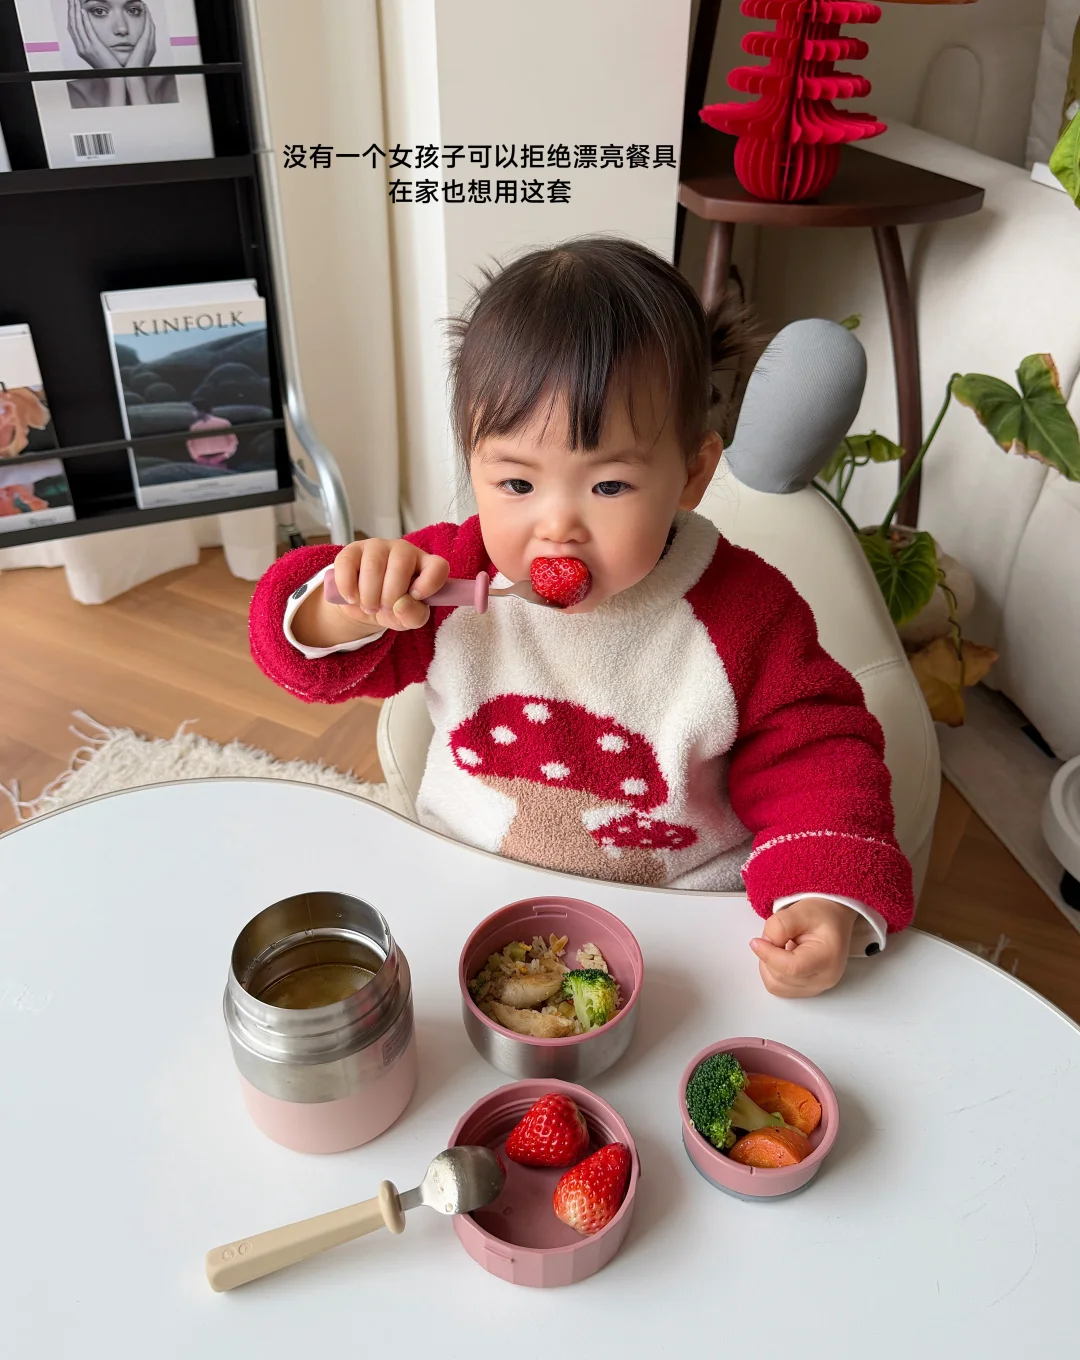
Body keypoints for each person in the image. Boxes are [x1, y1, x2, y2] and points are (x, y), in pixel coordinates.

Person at [249, 236, 914, 998]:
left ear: (692, 474)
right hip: (468, 894)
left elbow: (819, 754)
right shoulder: (450, 577)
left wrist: (821, 891)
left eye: (609, 487)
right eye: (516, 484)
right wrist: (344, 605)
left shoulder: (744, 613)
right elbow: (297, 651)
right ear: (472, 462)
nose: (556, 526)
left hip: (674, 925)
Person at [63, 0, 178, 109]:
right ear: (75, 21)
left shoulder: (177, 86)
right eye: (99, 11)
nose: (122, 29)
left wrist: (136, 81)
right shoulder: (66, 95)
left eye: (133, 10)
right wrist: (116, 81)